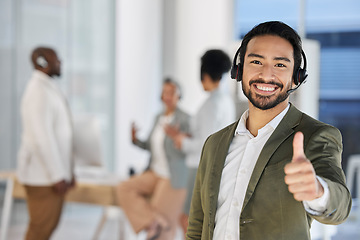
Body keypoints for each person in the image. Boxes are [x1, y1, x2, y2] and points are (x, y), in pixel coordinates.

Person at [186, 21, 352, 240]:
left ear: (296, 77)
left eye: (280, 65)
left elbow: (340, 207)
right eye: (256, 61)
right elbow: (197, 226)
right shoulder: (214, 143)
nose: (266, 74)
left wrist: (318, 191)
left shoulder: (316, 136)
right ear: (239, 70)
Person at [165, 49, 236, 234]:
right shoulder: (224, 101)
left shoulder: (211, 105)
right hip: (212, 167)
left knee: (188, 219)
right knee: (197, 220)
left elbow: (206, 144)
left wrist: (182, 142)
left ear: (204, 75)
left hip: (200, 167)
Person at [117, 78, 190, 240]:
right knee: (124, 188)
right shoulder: (158, 117)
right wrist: (136, 140)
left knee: (161, 232)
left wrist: (179, 139)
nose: (167, 96)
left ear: (179, 96)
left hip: (172, 176)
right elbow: (151, 146)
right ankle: (153, 221)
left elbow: (191, 148)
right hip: (155, 172)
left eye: (172, 92)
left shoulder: (185, 119)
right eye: (165, 92)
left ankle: (157, 224)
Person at [17, 47, 75, 240]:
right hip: (42, 177)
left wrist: (68, 171)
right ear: (43, 63)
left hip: (51, 175)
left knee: (47, 228)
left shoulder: (47, 88)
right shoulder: (37, 92)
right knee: (39, 230)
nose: (60, 63)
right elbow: (42, 137)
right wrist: (57, 174)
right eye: (56, 59)